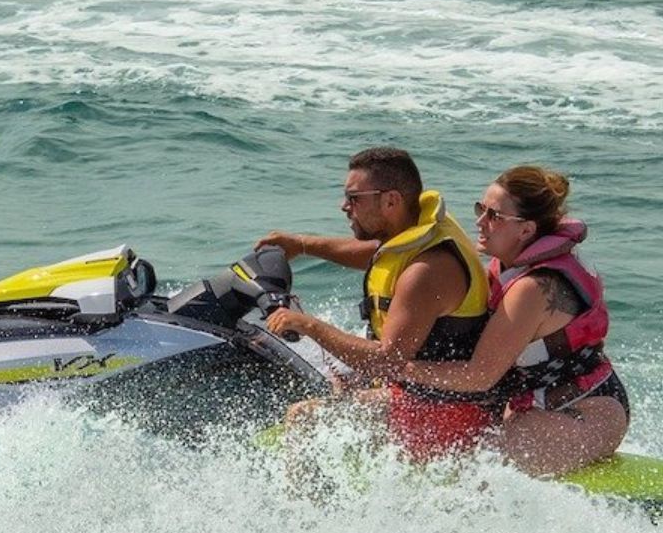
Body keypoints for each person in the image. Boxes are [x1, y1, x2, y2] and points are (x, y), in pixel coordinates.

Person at [260, 146, 501, 460]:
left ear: (391, 201)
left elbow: (387, 361)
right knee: (332, 384)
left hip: (444, 414)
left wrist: (309, 326)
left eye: (354, 198)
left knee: (303, 419)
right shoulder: (417, 233)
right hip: (416, 392)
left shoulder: (427, 272)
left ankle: (312, 498)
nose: (344, 206)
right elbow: (377, 255)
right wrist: (302, 245)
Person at [399, 165, 629, 475]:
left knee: (478, 462)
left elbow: (479, 376)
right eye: (480, 208)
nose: (480, 221)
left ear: (526, 230)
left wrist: (397, 367)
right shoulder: (507, 266)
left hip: (586, 411)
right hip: (540, 403)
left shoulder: (532, 288)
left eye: (494, 216)